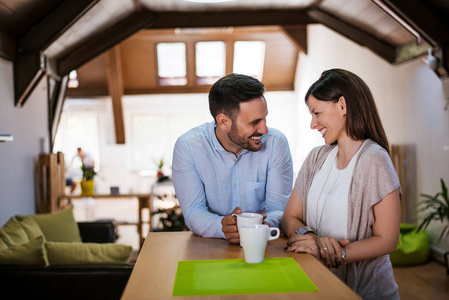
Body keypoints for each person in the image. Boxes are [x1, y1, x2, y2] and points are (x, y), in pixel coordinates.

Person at [280, 69, 401, 299]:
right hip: (318, 287)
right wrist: (311, 238)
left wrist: (334, 252)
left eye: (317, 113)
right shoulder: (316, 158)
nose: (313, 124)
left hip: (365, 292)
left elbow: (388, 239)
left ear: (342, 105)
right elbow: (289, 217)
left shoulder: (374, 159)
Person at [172, 73, 293, 244]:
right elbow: (193, 212)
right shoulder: (188, 147)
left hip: (265, 245)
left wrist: (262, 225)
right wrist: (221, 226)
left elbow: (279, 209)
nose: (265, 129)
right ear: (223, 122)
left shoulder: (276, 143)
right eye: (254, 123)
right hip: (210, 247)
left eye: (265, 119)